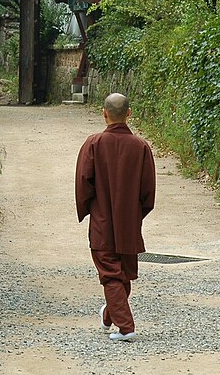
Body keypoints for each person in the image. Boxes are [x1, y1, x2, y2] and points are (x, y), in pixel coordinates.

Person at [75, 93, 156, 341]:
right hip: (129, 224)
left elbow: (83, 184)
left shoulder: (93, 144)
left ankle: (126, 328)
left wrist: (92, 211)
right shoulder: (141, 147)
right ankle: (109, 315)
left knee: (111, 275)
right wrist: (135, 215)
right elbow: (148, 192)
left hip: (103, 223)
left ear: (104, 113)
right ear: (129, 114)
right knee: (122, 275)